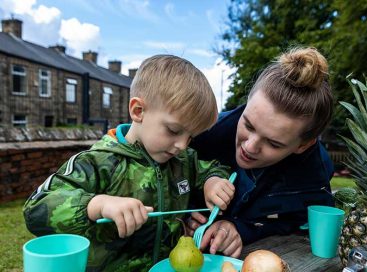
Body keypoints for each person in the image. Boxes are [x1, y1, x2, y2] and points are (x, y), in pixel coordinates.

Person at [23, 55, 236, 271]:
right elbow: (35, 209)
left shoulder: (183, 160)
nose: (182, 144)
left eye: (191, 137)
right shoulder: (98, 162)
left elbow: (211, 168)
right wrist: (98, 205)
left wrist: (213, 180)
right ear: (138, 111)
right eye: (173, 130)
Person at [187, 47, 335, 258]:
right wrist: (183, 209)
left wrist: (241, 228)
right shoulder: (204, 131)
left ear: (304, 145)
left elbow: (298, 224)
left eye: (274, 143)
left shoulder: (315, 174)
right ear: (248, 101)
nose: (249, 147)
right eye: (248, 124)